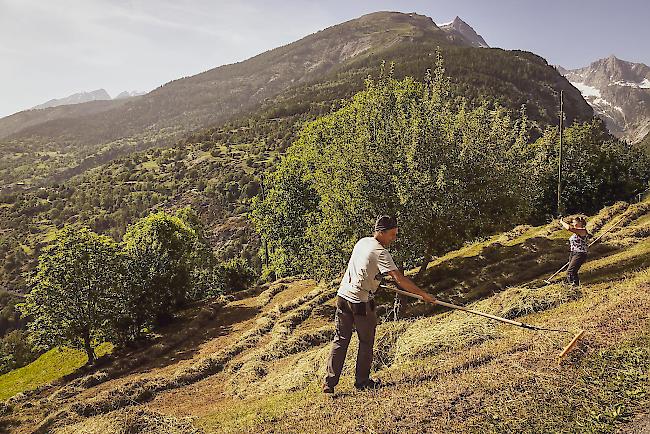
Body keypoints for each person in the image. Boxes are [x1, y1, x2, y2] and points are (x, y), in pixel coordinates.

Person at [323, 215, 437, 394]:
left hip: (343, 296)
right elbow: (399, 279)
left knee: (340, 340)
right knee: (366, 341)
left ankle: (329, 383)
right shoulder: (380, 252)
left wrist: (374, 279)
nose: (394, 239)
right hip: (360, 301)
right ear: (381, 232)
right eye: (392, 235)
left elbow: (363, 267)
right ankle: (362, 382)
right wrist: (423, 295)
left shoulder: (362, 242)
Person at [559, 215, 590, 286]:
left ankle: (574, 287)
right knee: (573, 272)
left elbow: (569, 228)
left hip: (580, 253)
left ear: (580, 222)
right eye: (573, 222)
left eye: (574, 222)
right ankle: (575, 285)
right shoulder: (576, 232)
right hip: (573, 253)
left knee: (570, 272)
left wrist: (562, 222)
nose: (573, 224)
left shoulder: (583, 231)